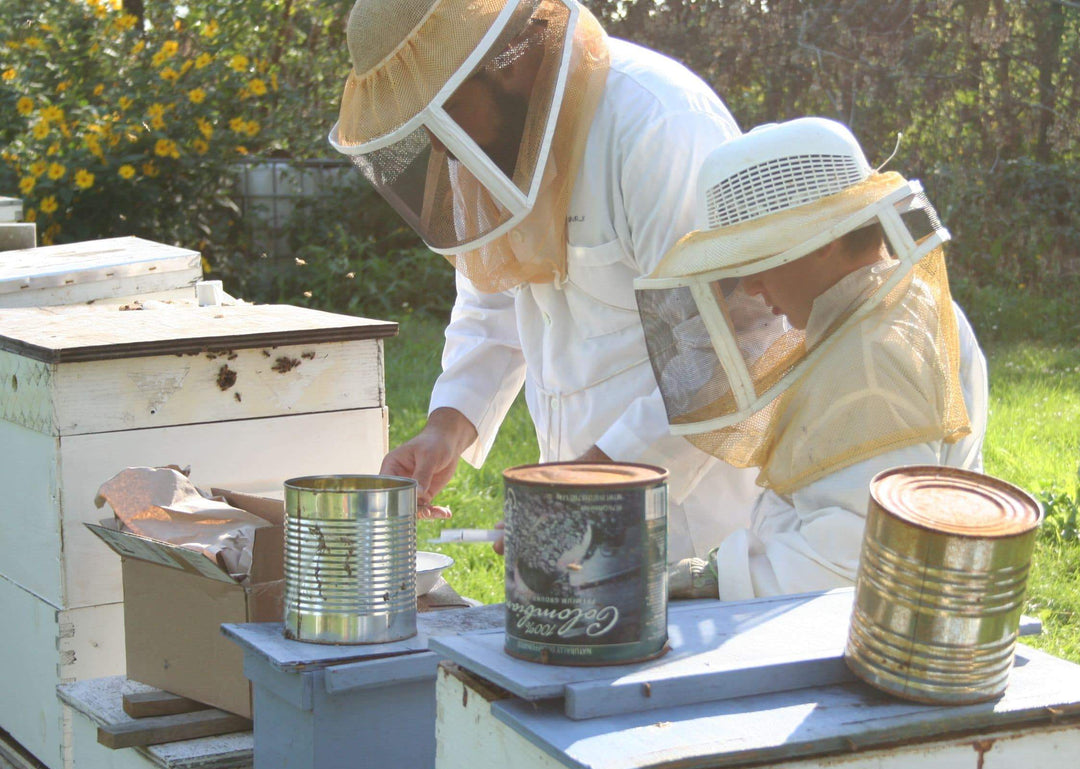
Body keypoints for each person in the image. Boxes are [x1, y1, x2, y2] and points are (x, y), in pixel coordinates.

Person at [328, 0, 762, 558]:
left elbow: (726, 351)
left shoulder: (660, 125)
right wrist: (447, 427)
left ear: (505, 64)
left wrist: (580, 487)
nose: (439, 145)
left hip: (705, 531)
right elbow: (493, 300)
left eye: (447, 110)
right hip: (580, 499)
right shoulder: (486, 139)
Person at [634, 118, 989, 599]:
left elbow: (849, 564)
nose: (752, 287)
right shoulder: (889, 307)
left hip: (860, 642)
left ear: (824, 241)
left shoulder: (875, 355)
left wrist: (718, 579)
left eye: (761, 256)